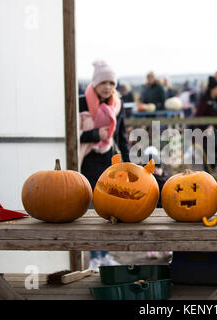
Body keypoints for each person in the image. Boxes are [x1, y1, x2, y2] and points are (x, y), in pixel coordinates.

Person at [79, 60, 130, 270]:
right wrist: (93, 134)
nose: (107, 86)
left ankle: (106, 253)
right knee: (92, 208)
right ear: (95, 83)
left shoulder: (117, 106)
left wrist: (128, 164)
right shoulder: (81, 103)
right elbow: (71, 133)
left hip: (108, 160)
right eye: (103, 82)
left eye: (111, 82)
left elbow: (121, 136)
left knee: (109, 208)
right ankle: (94, 257)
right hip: (88, 160)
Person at [193, 76, 217, 173]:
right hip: (205, 133)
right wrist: (208, 125)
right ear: (213, 89)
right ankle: (207, 176)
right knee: (209, 157)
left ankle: (210, 175)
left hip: (215, 133)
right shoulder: (204, 100)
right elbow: (198, 116)